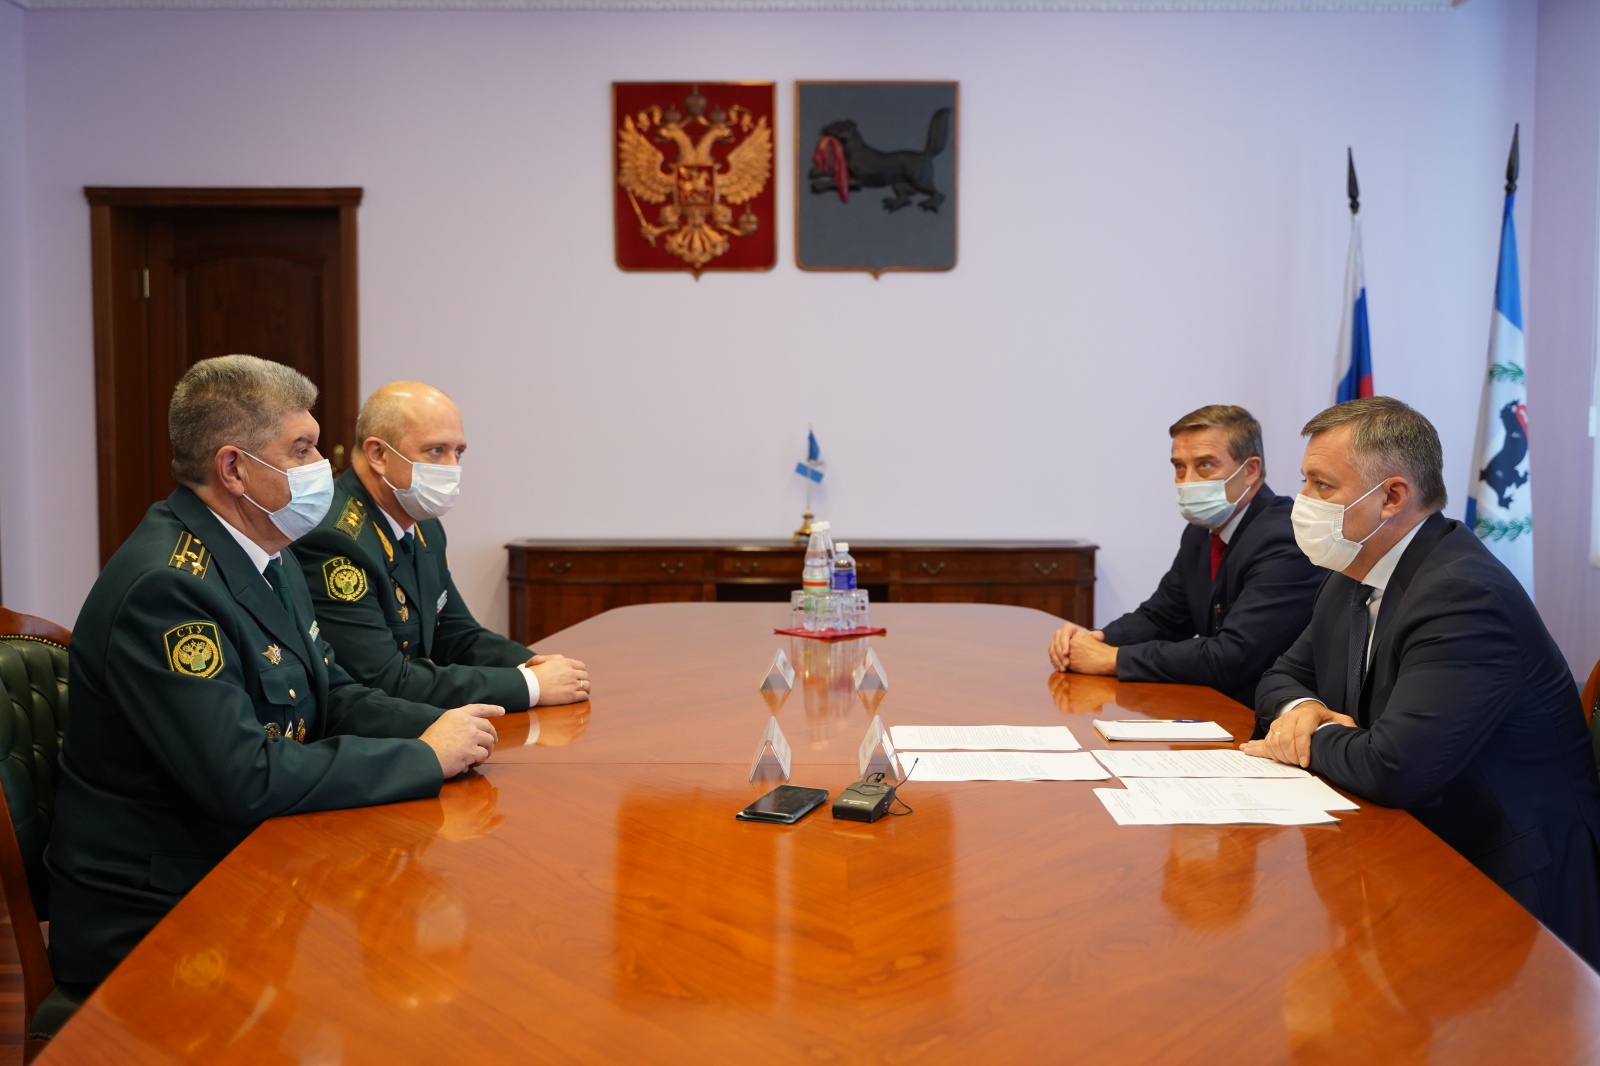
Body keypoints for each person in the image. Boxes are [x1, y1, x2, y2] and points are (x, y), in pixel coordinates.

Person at [47, 355, 505, 994]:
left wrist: (447, 728)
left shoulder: (267, 551)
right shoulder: (168, 588)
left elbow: (333, 694)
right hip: (161, 912)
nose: (323, 465)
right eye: (302, 449)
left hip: (246, 862)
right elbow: (243, 775)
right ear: (234, 469)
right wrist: (423, 758)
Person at [1245, 396, 1600, 967]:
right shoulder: (1353, 570)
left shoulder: (1462, 594)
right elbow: (1280, 676)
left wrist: (1304, 738)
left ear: (1391, 497)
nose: (1302, 501)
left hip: (1508, 887)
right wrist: (1303, 709)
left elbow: (1394, 768)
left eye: (1321, 485)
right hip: (1414, 841)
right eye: (1305, 481)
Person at [293, 382, 588, 711]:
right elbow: (384, 680)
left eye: (458, 452)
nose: (451, 466)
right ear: (378, 454)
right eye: (436, 451)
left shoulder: (424, 525)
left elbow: (457, 634)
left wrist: (536, 664)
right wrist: (530, 685)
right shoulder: (334, 538)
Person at [1048, 405, 1322, 724]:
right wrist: (1093, 640)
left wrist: (1114, 659)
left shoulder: (1286, 538)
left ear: (1250, 470)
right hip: (1213, 709)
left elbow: (1233, 656)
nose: (1187, 481)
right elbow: (1162, 616)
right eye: (1179, 467)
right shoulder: (1200, 533)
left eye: (1204, 465)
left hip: (1266, 721)